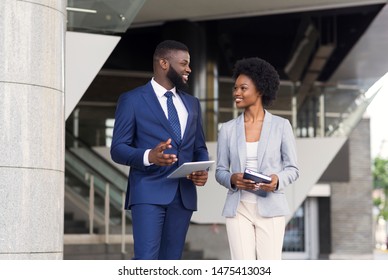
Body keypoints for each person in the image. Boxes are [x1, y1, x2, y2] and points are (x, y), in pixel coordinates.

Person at [110, 40, 209, 260]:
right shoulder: (132, 100)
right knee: (146, 261)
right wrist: (149, 156)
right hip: (148, 192)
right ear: (164, 63)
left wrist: (202, 169)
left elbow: (199, 147)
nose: (189, 69)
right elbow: (117, 149)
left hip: (183, 195)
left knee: (171, 262)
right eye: (184, 63)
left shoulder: (192, 104)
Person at [215, 57, 299, 260]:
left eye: (243, 88)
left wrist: (276, 180)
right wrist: (233, 179)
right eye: (235, 88)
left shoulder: (281, 126)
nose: (237, 93)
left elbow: (293, 169)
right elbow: (220, 171)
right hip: (238, 208)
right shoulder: (226, 129)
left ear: (260, 90)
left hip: (271, 208)